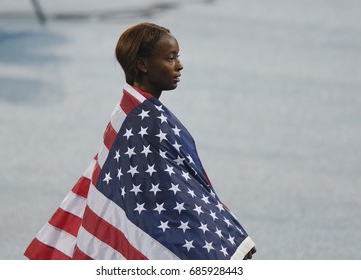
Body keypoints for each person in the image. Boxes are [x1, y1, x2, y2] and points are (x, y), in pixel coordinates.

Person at [24, 22, 256, 260]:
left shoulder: (125, 111)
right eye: (170, 58)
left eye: (177, 57)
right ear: (143, 65)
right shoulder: (147, 123)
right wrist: (228, 241)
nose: (179, 65)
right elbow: (180, 197)